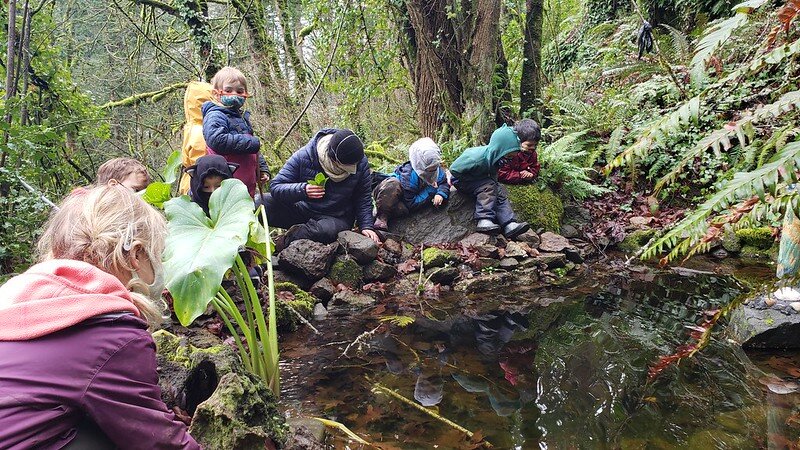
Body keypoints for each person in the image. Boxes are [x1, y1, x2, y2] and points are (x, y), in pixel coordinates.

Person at [0, 185, 200, 449]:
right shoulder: (113, 335)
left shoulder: (17, 296)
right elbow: (159, 442)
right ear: (137, 254)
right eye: (158, 254)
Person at [258, 128, 380, 248]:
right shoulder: (305, 156)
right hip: (302, 208)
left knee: (324, 232)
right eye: (348, 166)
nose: (353, 168)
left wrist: (366, 226)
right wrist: (303, 190)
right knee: (259, 203)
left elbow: (363, 197)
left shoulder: (360, 162)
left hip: (336, 217)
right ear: (333, 158)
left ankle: (283, 242)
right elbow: (276, 187)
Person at [449, 124, 531, 238]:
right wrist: (474, 179)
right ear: (499, 151)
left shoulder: (496, 159)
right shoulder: (476, 158)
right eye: (508, 156)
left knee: (499, 191)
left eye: (512, 157)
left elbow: (493, 174)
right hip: (462, 180)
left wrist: (494, 185)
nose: (509, 160)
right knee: (488, 186)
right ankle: (484, 219)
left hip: (482, 179)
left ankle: (508, 223)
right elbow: (454, 169)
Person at [202, 66, 270, 197]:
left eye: (240, 91)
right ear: (217, 93)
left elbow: (253, 149)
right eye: (228, 90)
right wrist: (252, 142)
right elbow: (217, 141)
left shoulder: (242, 117)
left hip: (246, 185)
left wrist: (262, 169)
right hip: (227, 185)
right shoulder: (215, 115)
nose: (234, 94)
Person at [372, 137, 449, 231]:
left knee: (403, 210)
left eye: (434, 168)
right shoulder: (409, 176)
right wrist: (431, 190)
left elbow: (444, 182)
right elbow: (410, 203)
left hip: (404, 206)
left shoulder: (437, 171)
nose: (432, 171)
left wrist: (440, 193)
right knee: (393, 185)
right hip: (391, 196)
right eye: (429, 169)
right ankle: (381, 217)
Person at [179, 80, 215, 195]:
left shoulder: (192, 127)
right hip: (200, 186)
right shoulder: (200, 131)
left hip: (190, 183)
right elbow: (201, 164)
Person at [497, 119, 541, 184]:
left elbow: (535, 167)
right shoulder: (510, 154)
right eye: (529, 145)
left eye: (536, 145)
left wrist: (530, 174)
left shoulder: (532, 154)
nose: (533, 148)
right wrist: (520, 175)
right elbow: (502, 173)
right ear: (518, 141)